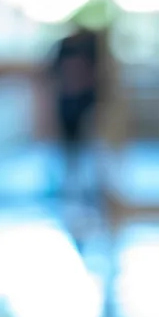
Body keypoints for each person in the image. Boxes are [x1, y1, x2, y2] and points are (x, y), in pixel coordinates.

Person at [48, 22, 104, 196]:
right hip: (68, 101)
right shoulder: (63, 47)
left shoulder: (92, 48)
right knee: (69, 143)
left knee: (90, 143)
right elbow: (52, 70)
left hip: (86, 101)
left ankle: (91, 183)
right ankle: (70, 181)